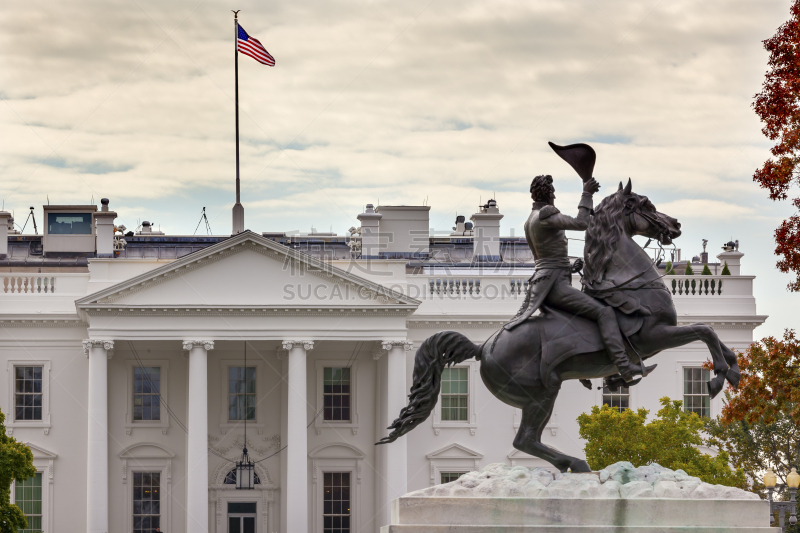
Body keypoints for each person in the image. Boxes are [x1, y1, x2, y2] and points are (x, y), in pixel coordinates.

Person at [504, 174, 649, 383]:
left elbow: (546, 258)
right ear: (549, 194)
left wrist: (570, 267)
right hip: (555, 287)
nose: (554, 195)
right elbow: (582, 223)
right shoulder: (545, 214)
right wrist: (587, 193)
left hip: (546, 281)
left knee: (587, 313)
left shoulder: (530, 219)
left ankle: (587, 364)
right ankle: (624, 367)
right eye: (553, 192)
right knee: (604, 312)